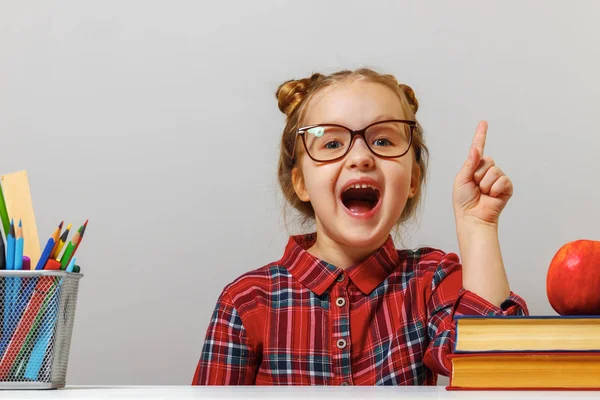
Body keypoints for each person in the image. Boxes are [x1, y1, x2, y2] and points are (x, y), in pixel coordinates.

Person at [192, 68, 528, 386]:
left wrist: (478, 225)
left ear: (412, 180)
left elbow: (494, 370)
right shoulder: (247, 301)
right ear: (302, 183)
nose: (361, 157)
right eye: (333, 144)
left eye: (383, 141)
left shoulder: (431, 280)